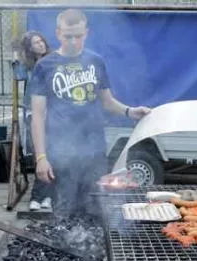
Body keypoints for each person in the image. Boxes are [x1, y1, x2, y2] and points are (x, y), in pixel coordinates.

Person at [31, 9, 151, 219]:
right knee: (64, 210)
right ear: (58, 33)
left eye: (78, 36)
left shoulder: (96, 62)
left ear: (86, 33)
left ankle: (95, 250)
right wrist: (41, 157)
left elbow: (107, 101)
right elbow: (38, 115)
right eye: (68, 36)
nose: (73, 42)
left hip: (94, 150)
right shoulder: (45, 66)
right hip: (61, 153)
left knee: (95, 208)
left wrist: (130, 111)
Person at [12, 31, 54, 211]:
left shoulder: (53, 62)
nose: (40, 44)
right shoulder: (28, 66)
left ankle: (45, 196)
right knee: (40, 154)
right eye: (36, 43)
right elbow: (18, 75)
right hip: (33, 114)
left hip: (52, 113)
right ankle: (41, 196)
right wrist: (16, 56)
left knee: (52, 153)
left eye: (41, 41)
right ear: (30, 48)